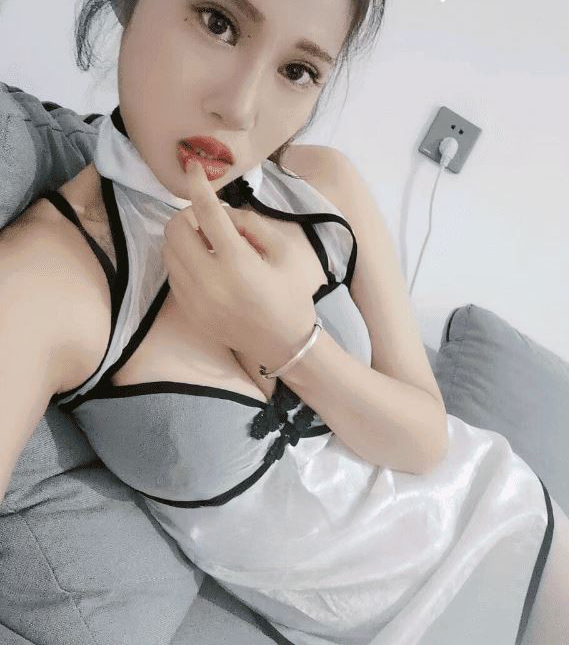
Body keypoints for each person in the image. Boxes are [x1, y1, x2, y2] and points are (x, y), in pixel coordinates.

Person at [0, 1, 567, 643]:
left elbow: (426, 440)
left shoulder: (323, 186)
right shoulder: (48, 279)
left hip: (510, 537)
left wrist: (290, 343)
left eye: (298, 70)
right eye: (217, 22)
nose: (240, 109)